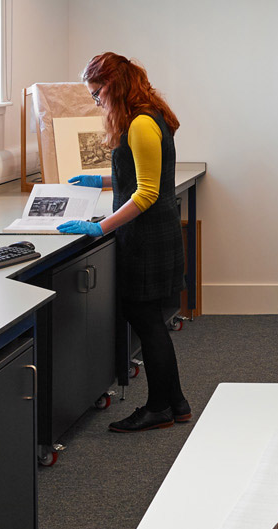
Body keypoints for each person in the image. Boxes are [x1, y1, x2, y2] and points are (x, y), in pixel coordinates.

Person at [57, 52, 189, 432]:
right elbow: (143, 176)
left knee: (147, 323)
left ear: (114, 87)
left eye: (98, 94)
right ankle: (175, 402)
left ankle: (159, 408)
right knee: (149, 322)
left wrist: (101, 228)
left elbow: (146, 193)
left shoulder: (142, 124)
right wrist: (101, 182)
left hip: (147, 238)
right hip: (151, 232)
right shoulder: (144, 117)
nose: (97, 102)